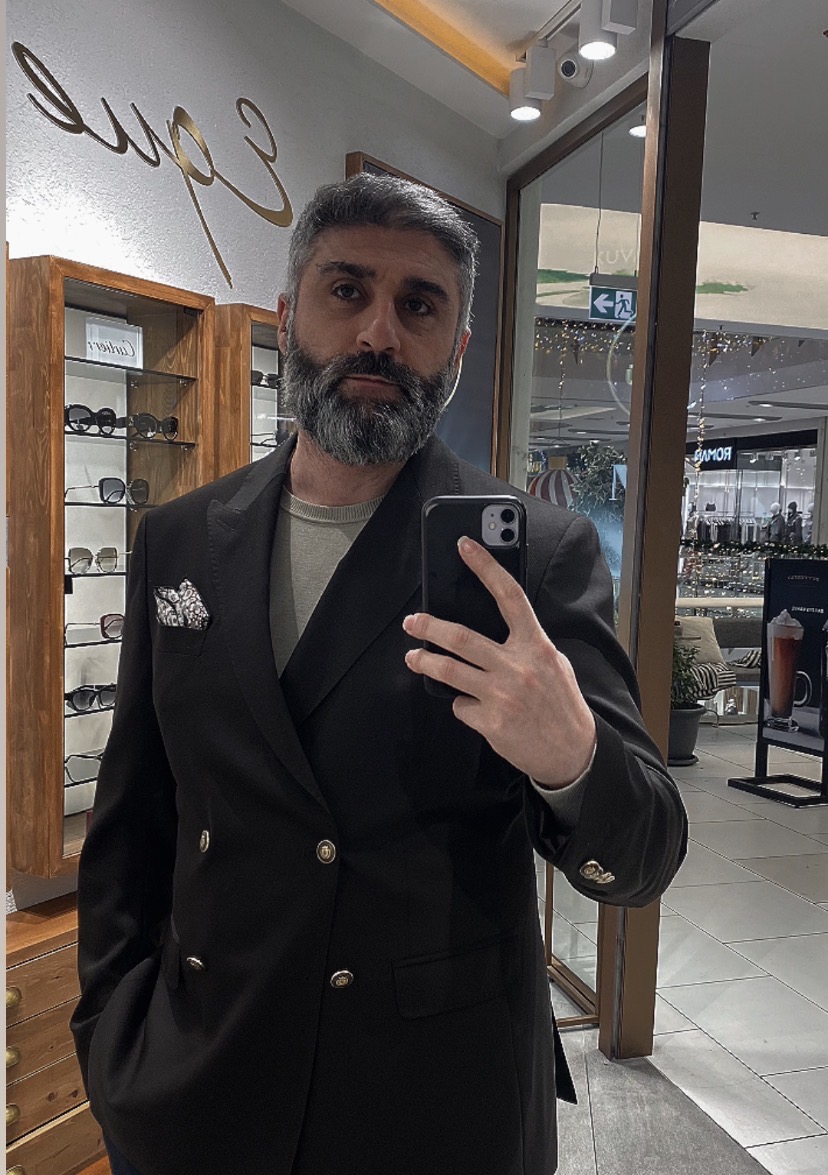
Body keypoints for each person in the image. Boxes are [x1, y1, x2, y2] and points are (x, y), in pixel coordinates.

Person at [71, 174, 687, 1175]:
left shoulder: (540, 556)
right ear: (288, 314)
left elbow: (646, 854)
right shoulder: (180, 540)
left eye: (420, 304)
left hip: (435, 1103)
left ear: (459, 347)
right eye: (347, 290)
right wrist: (114, 1041)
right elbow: (133, 821)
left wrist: (571, 757)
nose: (379, 333)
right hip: (202, 1080)